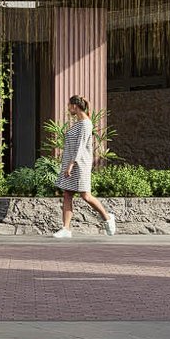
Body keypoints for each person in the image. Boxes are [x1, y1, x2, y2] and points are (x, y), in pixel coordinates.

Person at [52, 92, 117, 238]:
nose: (68, 109)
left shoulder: (86, 124)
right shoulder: (79, 123)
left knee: (86, 195)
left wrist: (71, 164)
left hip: (79, 165)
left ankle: (107, 217)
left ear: (75, 106)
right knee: (67, 193)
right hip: (72, 163)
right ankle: (66, 229)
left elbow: (81, 146)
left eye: (69, 106)